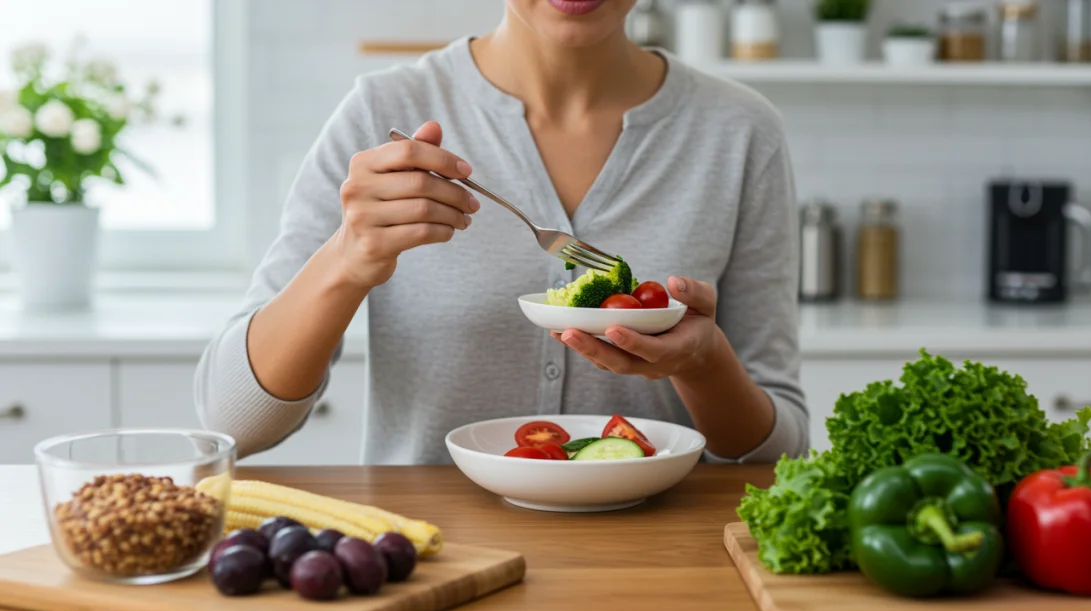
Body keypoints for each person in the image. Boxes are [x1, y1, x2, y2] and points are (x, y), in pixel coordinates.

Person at [195, 0, 807, 465]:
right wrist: (346, 259)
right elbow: (233, 421)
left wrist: (704, 365)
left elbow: (780, 454)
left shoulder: (741, 132)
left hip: (657, 571)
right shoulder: (383, 114)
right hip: (428, 566)